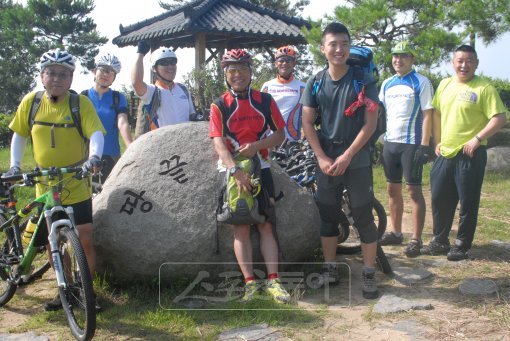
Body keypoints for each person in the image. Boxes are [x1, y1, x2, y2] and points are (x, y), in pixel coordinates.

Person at [2, 49, 106, 310]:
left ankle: (86, 291)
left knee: (84, 236)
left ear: (71, 78)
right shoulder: (32, 102)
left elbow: (96, 133)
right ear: (41, 76)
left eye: (63, 74)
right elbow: (20, 135)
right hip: (44, 181)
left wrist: (94, 157)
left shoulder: (79, 103)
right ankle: (65, 288)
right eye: (51, 73)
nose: (57, 78)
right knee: (53, 238)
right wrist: (15, 164)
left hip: (75, 180)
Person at [300, 22, 381, 299]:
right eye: (333, 44)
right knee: (327, 214)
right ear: (323, 49)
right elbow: (308, 123)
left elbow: (370, 123)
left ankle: (369, 273)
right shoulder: (316, 81)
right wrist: (321, 157)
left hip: (356, 159)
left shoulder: (363, 80)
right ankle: (330, 268)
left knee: (362, 215)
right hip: (327, 160)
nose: (339, 49)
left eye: (344, 44)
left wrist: (348, 155)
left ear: (349, 46)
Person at [209, 49, 291, 303]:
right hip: (233, 170)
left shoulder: (265, 101)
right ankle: (250, 283)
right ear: (225, 74)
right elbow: (218, 142)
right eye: (232, 70)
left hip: (261, 167)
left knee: (266, 224)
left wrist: (256, 146)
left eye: (243, 69)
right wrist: (235, 171)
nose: (238, 75)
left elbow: (280, 134)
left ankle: (274, 280)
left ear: (250, 72)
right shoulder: (220, 105)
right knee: (241, 227)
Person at [421, 44, 507, 261]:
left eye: (469, 61)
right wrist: (437, 142)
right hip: (444, 153)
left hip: (470, 154)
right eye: (460, 60)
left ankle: (462, 244)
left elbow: (499, 118)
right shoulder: (444, 84)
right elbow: (437, 114)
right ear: (453, 63)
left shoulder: (484, 88)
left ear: (476, 64)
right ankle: (440, 241)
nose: (464, 65)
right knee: (440, 197)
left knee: (467, 201)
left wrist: (477, 139)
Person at [377, 41, 434, 258]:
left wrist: (425, 144)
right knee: (392, 190)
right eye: (395, 56)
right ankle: (396, 232)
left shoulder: (421, 82)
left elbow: (428, 113)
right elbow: (381, 113)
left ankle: (416, 238)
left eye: (403, 56)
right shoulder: (387, 83)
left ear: (412, 59)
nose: (398, 60)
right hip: (391, 143)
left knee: (414, 191)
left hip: (412, 144)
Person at [83, 53, 132, 182]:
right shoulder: (83, 97)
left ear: (114, 77)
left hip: (111, 155)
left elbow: (122, 122)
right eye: (103, 70)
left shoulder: (118, 97)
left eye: (111, 72)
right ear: (94, 71)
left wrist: (131, 146)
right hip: (86, 156)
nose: (106, 74)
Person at [131, 41, 195, 129]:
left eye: (173, 62)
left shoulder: (183, 89)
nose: (170, 66)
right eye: (164, 63)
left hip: (185, 141)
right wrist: (140, 54)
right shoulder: (152, 91)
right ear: (154, 68)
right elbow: (136, 83)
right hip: (162, 142)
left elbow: (192, 116)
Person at [261, 46, 305, 143]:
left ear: (294, 63)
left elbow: (308, 116)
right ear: (276, 63)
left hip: (292, 142)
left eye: (288, 60)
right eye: (281, 60)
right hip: (269, 142)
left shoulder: (302, 87)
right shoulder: (267, 86)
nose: (284, 63)